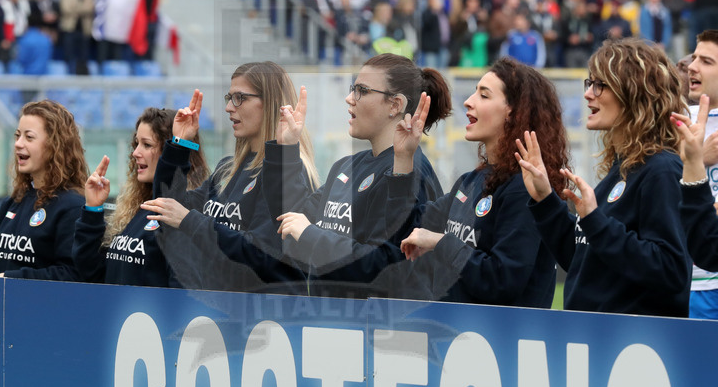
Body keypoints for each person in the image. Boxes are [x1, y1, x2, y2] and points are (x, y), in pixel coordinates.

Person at [516, 38, 690, 316]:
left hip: (632, 346)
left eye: (600, 85)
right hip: (596, 342)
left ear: (634, 94)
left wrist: (596, 221)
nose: (588, 94)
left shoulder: (662, 170)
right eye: (590, 83)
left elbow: (671, 271)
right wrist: (544, 199)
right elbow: (583, 260)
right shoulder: (623, 168)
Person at [269, 53, 451, 297]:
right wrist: (287, 151)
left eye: (361, 90)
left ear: (395, 105)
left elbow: (384, 268)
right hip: (328, 321)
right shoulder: (346, 166)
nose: (349, 98)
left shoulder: (409, 172)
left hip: (375, 326)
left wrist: (312, 237)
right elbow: (290, 224)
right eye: (352, 88)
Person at [391, 57, 569, 306]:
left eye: (484, 96)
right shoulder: (471, 181)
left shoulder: (524, 188)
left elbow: (502, 280)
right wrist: (403, 158)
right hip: (456, 337)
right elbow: (407, 229)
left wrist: (441, 243)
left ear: (513, 112)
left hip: (498, 341)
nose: (468, 101)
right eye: (474, 92)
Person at [141, 62, 320, 292]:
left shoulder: (290, 174)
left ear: (270, 104)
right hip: (219, 311)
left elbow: (262, 253)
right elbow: (166, 206)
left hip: (262, 319)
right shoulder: (229, 169)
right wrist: (180, 145)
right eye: (229, 97)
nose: (228, 107)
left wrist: (190, 221)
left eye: (239, 98)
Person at [72, 107, 209, 287]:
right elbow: (92, 274)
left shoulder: (186, 214)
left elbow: (183, 294)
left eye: (147, 144)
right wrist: (92, 210)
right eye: (136, 143)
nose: (136, 153)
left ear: (171, 151)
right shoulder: (139, 209)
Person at [0, 100, 89, 280]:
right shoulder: (15, 201)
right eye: (17, 135)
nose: (18, 143)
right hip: (0, 306)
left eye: (29, 137)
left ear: (55, 145)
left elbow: (71, 274)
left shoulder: (73, 206)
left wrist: (9, 279)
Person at [677, 30, 718, 319]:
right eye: (693, 59)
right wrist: (698, 160)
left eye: (706, 61)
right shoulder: (675, 121)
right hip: (683, 280)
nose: (692, 66)